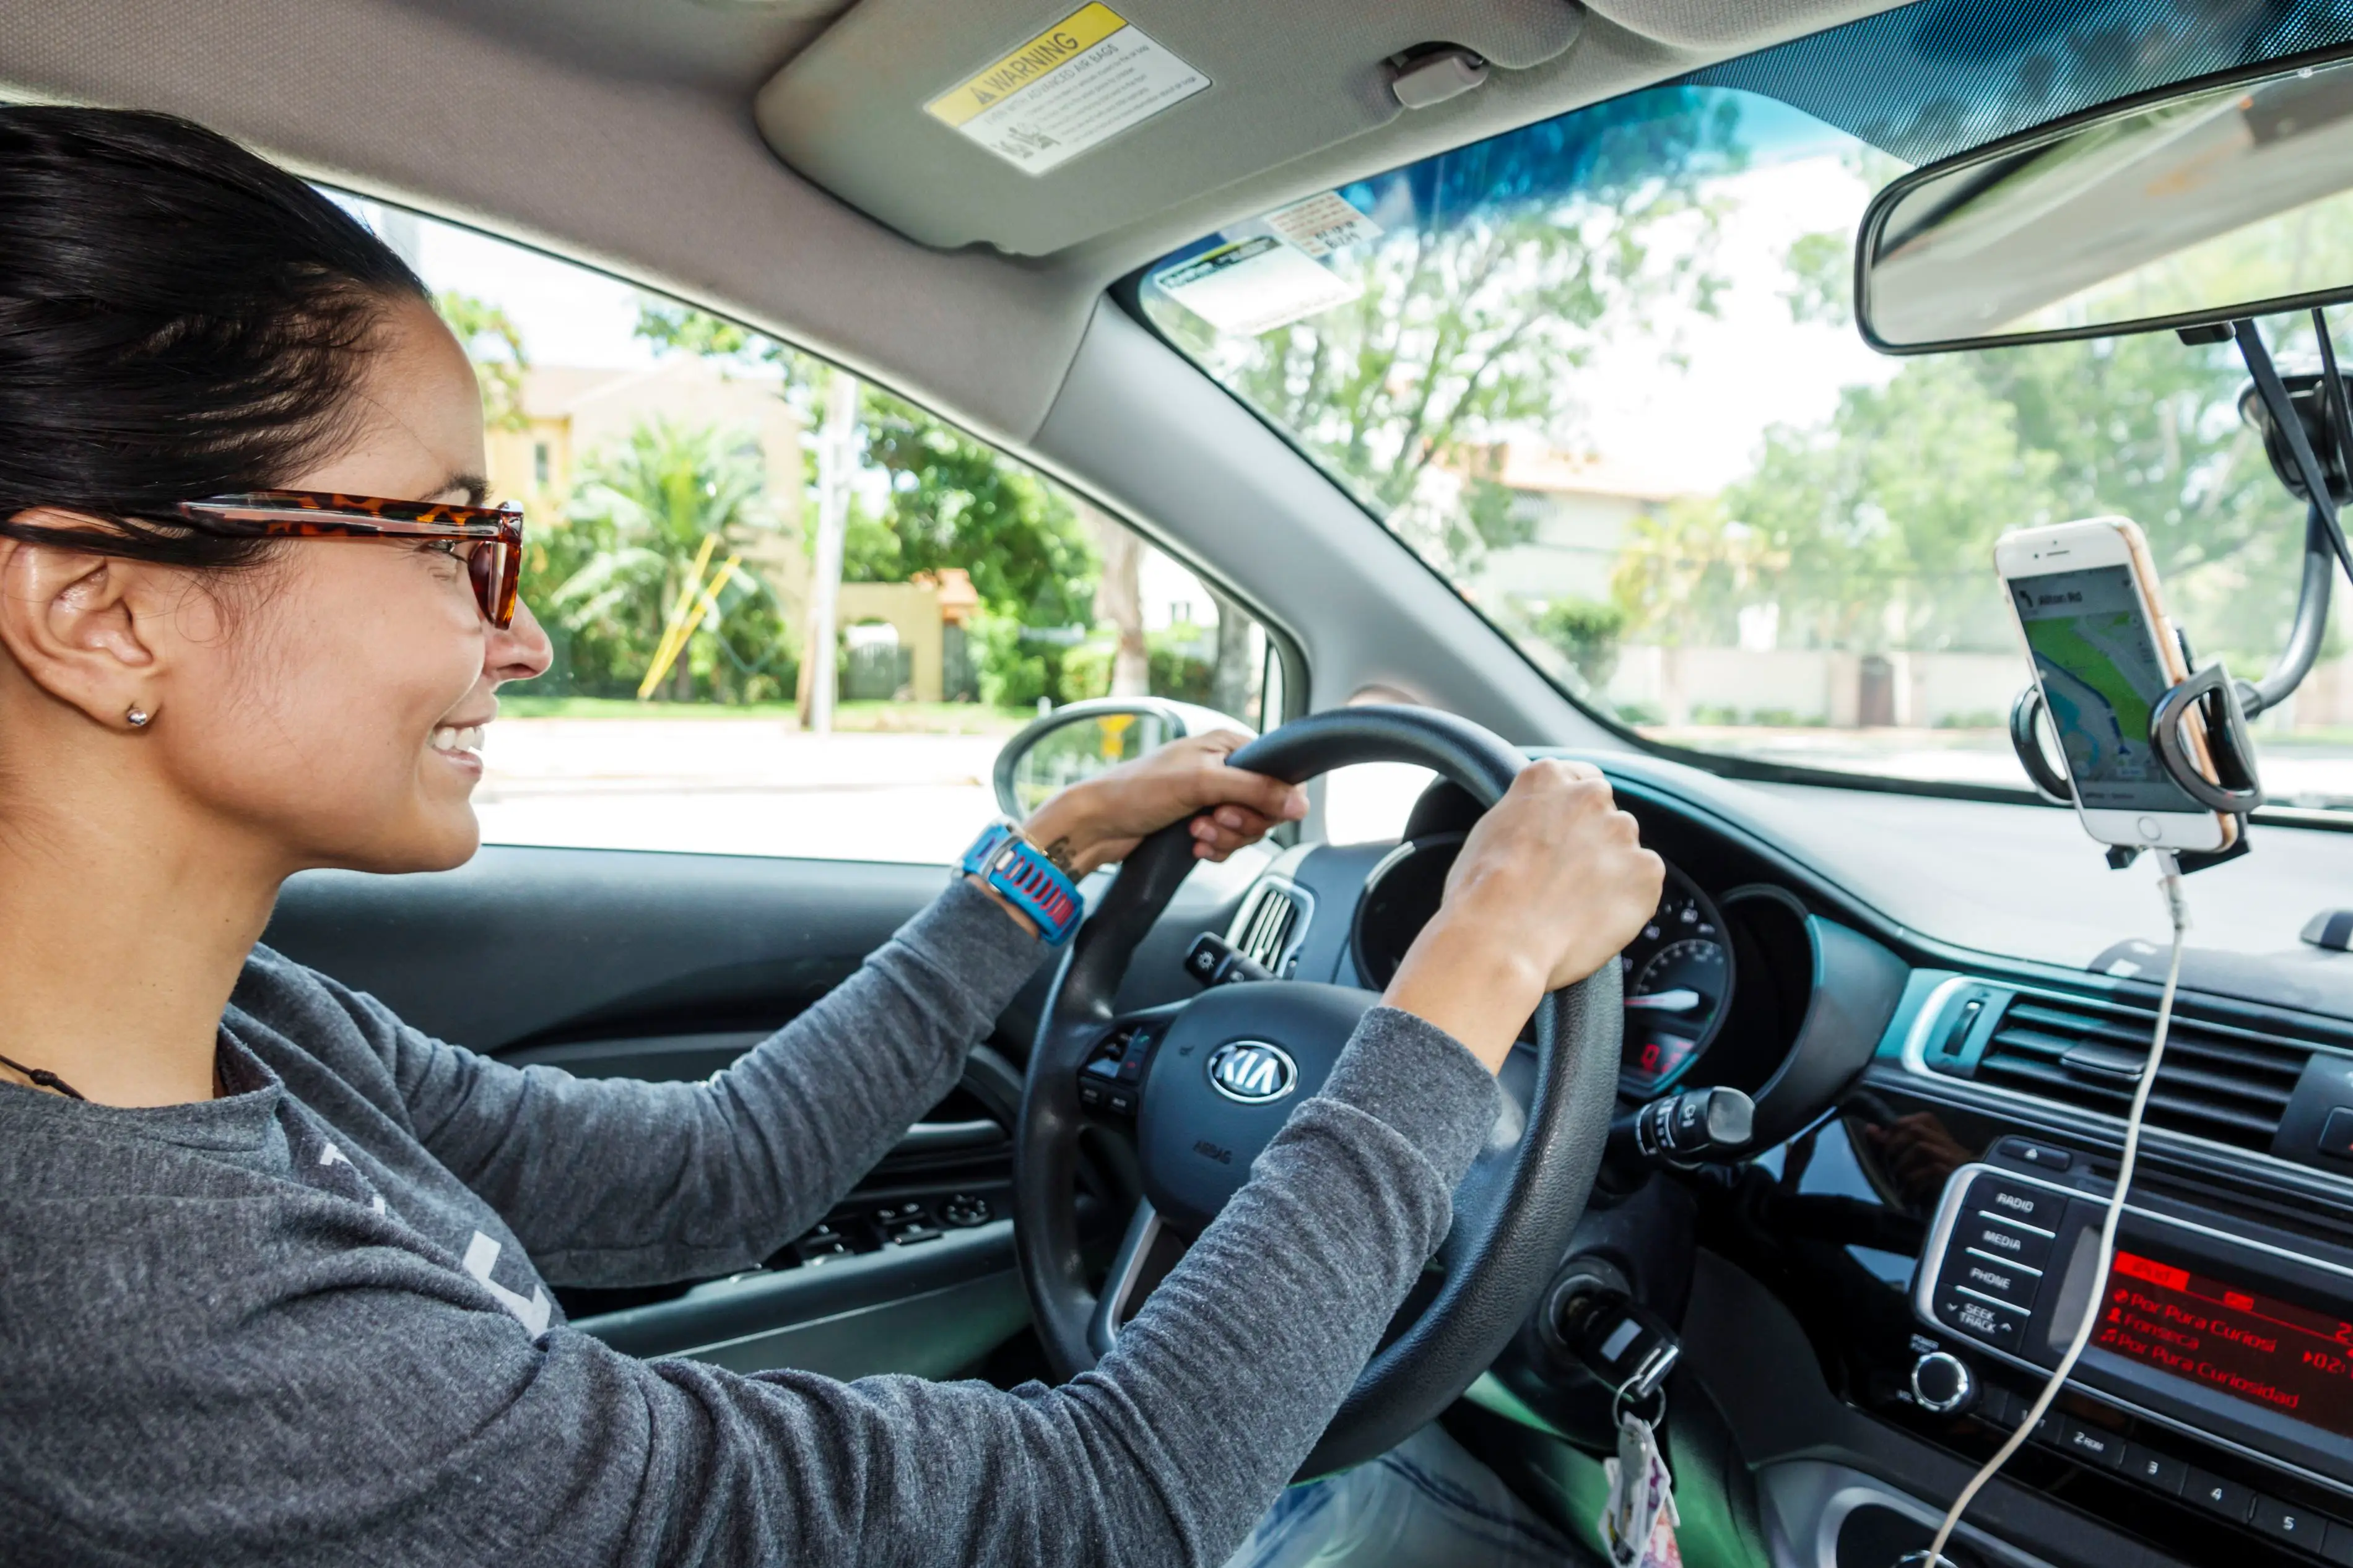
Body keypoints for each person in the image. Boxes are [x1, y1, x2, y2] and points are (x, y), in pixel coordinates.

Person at [0, 108, 1664, 1567]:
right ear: (101, 616)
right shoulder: (140, 1303)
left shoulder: (241, 1026)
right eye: (448, 542)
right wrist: (1478, 968)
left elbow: (707, 1176)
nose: (519, 638)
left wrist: (1057, 846)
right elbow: (1101, 1505)